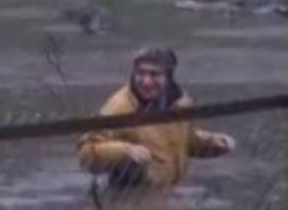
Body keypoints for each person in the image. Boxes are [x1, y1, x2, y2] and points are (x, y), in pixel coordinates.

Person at [77, 46, 236, 189]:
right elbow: (86, 153)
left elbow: (183, 141)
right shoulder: (120, 106)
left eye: (154, 74)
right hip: (129, 201)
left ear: (168, 76)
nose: (146, 82)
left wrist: (210, 143)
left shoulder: (180, 102)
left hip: (170, 197)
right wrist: (124, 151)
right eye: (141, 73)